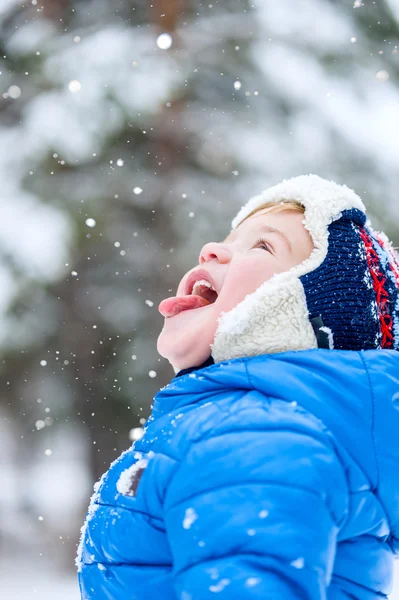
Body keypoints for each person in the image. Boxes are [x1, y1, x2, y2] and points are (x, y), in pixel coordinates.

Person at [76, 174, 399, 599]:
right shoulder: (246, 425)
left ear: (303, 315)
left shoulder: (256, 438)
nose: (211, 248)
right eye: (230, 237)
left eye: (263, 245)